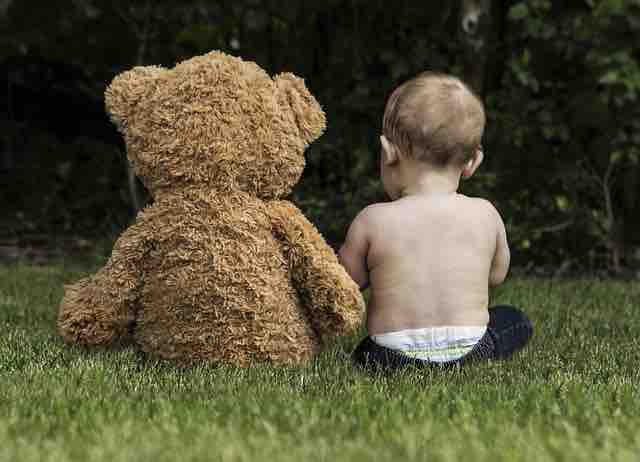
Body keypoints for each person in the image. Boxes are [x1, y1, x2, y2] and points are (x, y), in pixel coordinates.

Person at [338, 72, 533, 372]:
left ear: (388, 152)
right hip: (471, 350)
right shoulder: (485, 213)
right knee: (515, 321)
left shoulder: (372, 220)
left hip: (390, 357)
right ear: (472, 162)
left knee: (365, 351)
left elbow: (346, 283)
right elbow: (496, 275)